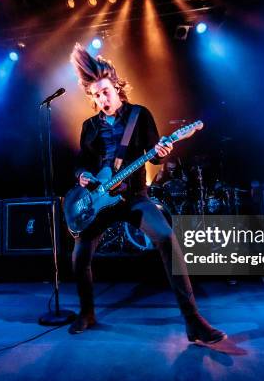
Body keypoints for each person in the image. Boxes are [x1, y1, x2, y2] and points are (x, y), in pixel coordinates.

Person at [67, 43, 227, 343]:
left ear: (116, 86)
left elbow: (154, 156)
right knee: (79, 255)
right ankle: (86, 313)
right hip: (100, 202)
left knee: (166, 238)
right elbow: (81, 163)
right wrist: (83, 176)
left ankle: (193, 321)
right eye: (96, 95)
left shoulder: (139, 116)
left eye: (106, 91)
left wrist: (162, 152)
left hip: (134, 198)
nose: (102, 98)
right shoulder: (89, 127)